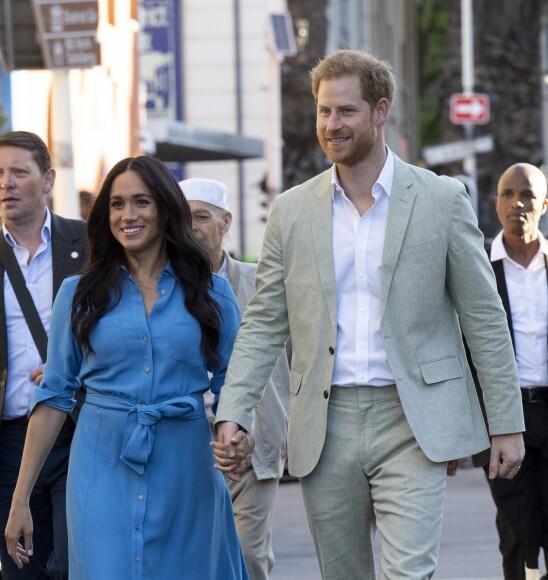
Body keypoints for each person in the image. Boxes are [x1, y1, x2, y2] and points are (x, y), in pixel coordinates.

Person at [212, 49, 526, 579]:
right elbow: (266, 320)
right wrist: (232, 411)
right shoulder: (291, 211)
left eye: (346, 111)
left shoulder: (441, 199)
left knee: (408, 573)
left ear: (380, 111)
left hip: (412, 418)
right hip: (323, 421)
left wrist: (506, 423)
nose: (332, 125)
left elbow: (484, 319)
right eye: (324, 111)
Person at [4, 155, 251, 579]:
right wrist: (20, 497)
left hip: (186, 471)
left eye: (141, 202)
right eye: (117, 204)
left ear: (166, 209)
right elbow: (55, 394)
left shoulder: (213, 293)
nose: (127, 215)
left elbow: (237, 381)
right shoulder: (78, 293)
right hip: (100, 472)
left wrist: (237, 433)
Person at [0, 130, 88, 579]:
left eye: (19, 172)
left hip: (79, 433)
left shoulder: (91, 246)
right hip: (6, 447)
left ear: (48, 179)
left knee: (76, 564)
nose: (5, 184)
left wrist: (72, 367)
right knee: (23, 571)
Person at [180, 177, 291, 580]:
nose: (191, 227)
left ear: (226, 221)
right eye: (182, 217)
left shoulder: (263, 282)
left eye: (201, 217)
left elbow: (300, 356)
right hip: (186, 443)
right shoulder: (160, 289)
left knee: (246, 555)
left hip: (253, 441)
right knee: (194, 557)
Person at [470, 163, 548, 580]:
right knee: (519, 532)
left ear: (544, 204)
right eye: (507, 194)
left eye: (528, 195)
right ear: (496, 203)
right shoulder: (477, 267)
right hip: (503, 416)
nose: (517, 202)